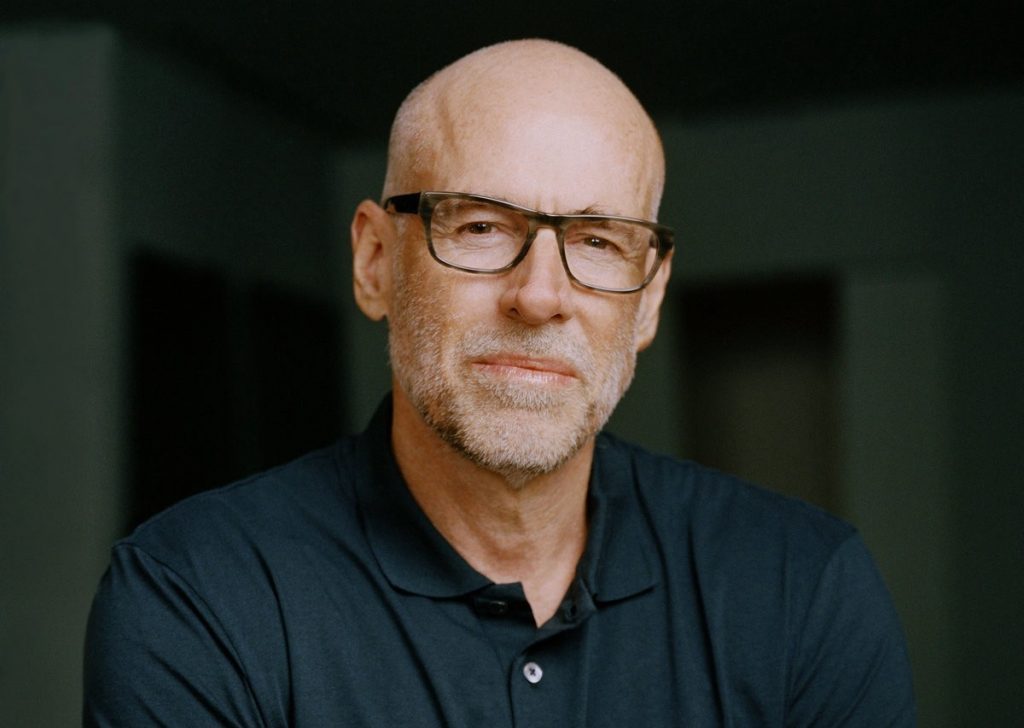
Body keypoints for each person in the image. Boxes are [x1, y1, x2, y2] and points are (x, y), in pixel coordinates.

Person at [84, 39, 916, 726]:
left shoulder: (802, 588)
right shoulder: (198, 594)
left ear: (650, 297)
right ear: (375, 261)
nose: (540, 296)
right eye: (480, 226)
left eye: (598, 241)